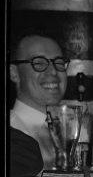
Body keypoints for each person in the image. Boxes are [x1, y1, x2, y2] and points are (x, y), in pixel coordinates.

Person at [8, 32, 70, 169]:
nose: (53, 72)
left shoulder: (77, 131)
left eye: (58, 62)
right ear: (14, 73)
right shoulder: (11, 136)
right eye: (39, 63)